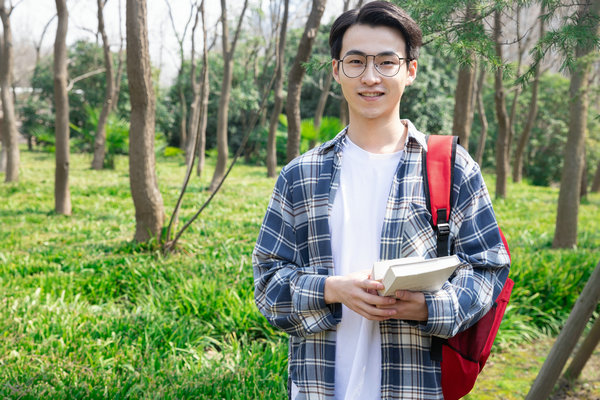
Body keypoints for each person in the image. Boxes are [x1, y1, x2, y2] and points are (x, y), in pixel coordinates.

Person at [252, 1, 511, 399]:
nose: (370, 76)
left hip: (414, 387)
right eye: (355, 61)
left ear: (410, 70)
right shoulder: (300, 175)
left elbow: (488, 269)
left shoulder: (451, 167)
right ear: (336, 70)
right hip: (320, 387)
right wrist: (332, 290)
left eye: (386, 62)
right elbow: (268, 285)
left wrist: (428, 307)